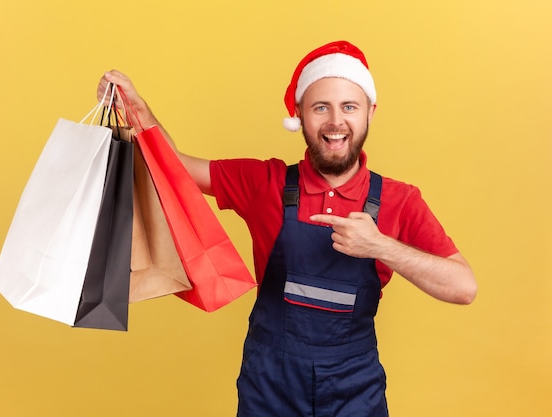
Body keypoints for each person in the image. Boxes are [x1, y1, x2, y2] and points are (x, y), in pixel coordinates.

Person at [97, 40, 477, 417]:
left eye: (349, 107)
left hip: (355, 389)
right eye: (320, 107)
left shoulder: (400, 200)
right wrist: (139, 112)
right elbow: (175, 168)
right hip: (270, 385)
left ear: (369, 113)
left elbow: (463, 287)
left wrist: (381, 246)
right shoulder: (265, 182)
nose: (335, 121)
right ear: (299, 114)